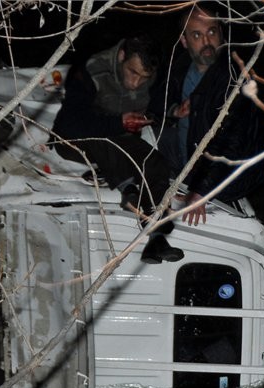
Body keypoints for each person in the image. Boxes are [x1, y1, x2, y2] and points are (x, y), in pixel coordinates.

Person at [52, 33, 184, 263]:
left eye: (143, 77)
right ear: (122, 55)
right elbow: (68, 125)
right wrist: (118, 123)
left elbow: (156, 99)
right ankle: (128, 189)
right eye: (132, 72)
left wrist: (172, 110)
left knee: (156, 164)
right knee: (108, 141)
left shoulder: (152, 75)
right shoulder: (93, 70)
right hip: (74, 139)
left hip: (120, 137)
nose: (135, 83)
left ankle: (157, 237)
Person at [153, 2, 264, 226]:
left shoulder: (234, 79)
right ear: (184, 41)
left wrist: (199, 191)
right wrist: (174, 110)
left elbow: (229, 141)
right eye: (196, 35)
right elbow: (156, 99)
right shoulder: (182, 65)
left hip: (227, 172)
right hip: (188, 152)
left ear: (222, 35)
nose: (206, 42)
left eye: (211, 32)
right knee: (145, 136)